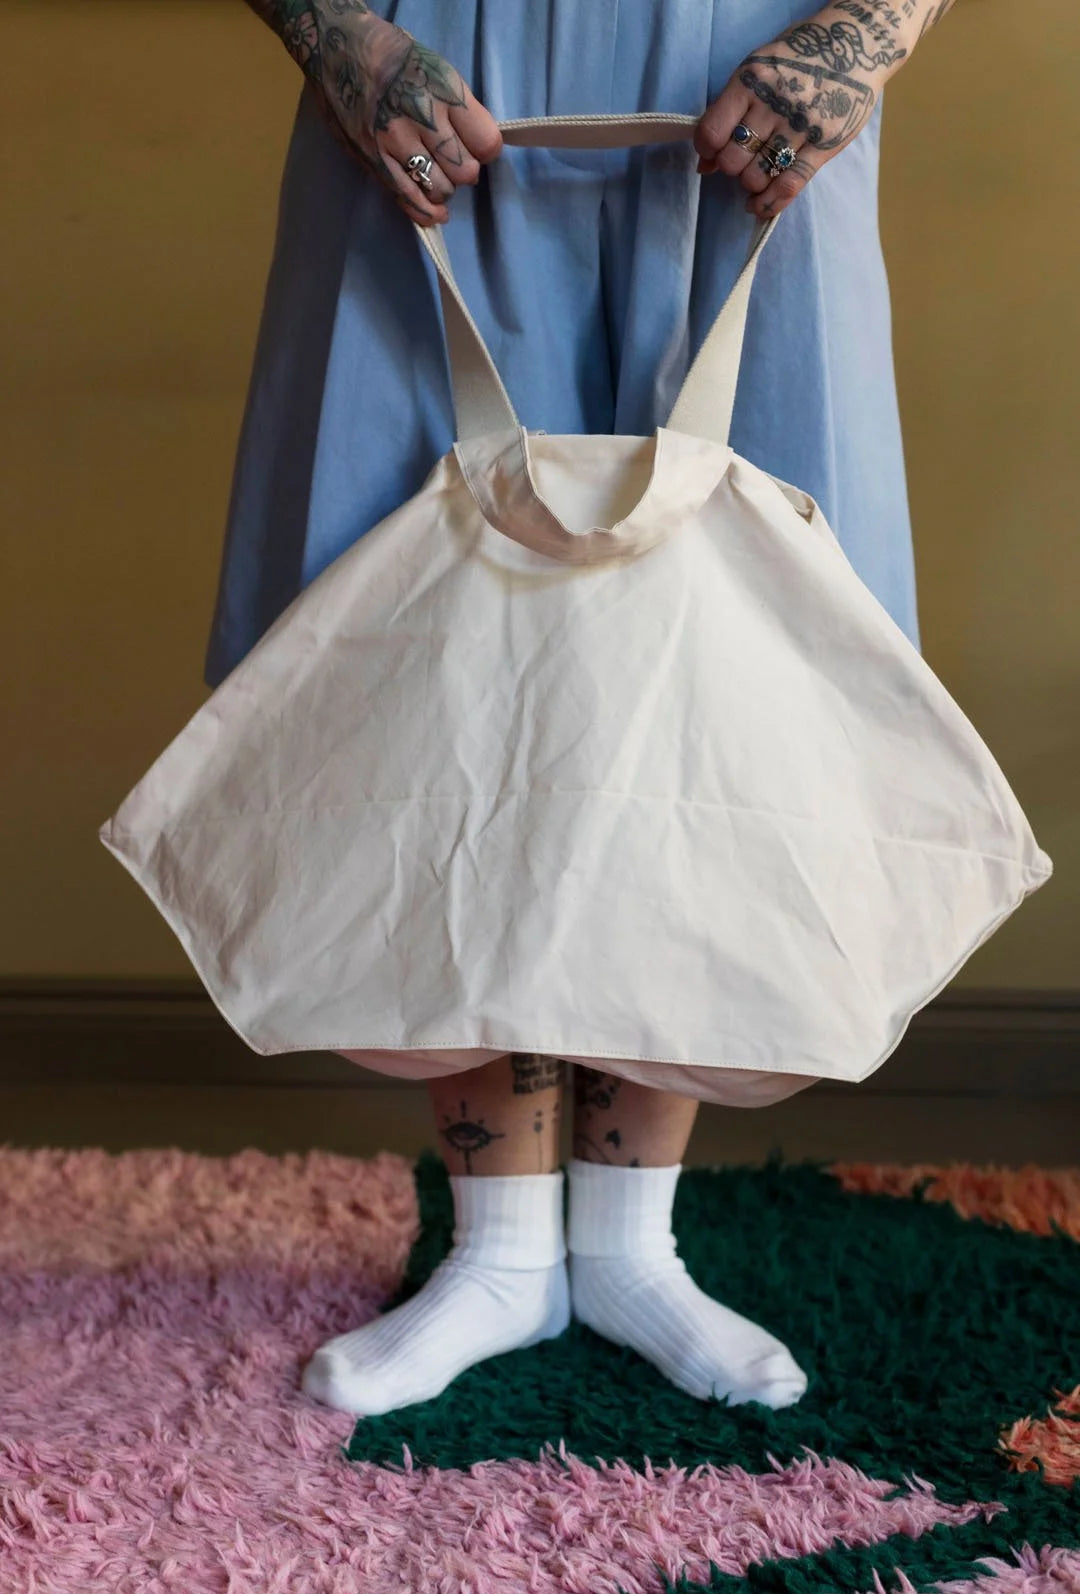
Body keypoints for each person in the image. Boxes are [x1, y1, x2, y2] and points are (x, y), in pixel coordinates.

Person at [212, 0, 955, 1419]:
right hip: (429, 72)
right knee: (433, 637)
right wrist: (338, 38)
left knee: (721, 648)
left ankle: (625, 1243)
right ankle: (500, 1253)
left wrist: (867, 29)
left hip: (753, 69)